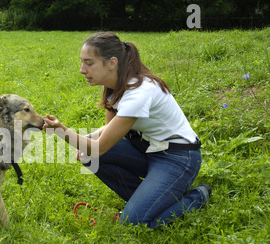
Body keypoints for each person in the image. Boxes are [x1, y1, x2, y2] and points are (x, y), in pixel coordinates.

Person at [42, 32, 211, 228]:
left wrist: (61, 130)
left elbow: (99, 148)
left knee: (134, 222)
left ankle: (197, 197)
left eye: (89, 63)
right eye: (82, 62)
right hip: (148, 150)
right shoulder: (115, 85)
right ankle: (147, 199)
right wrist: (85, 140)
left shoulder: (139, 93)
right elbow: (107, 130)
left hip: (178, 158)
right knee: (87, 156)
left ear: (112, 62)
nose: (82, 70)